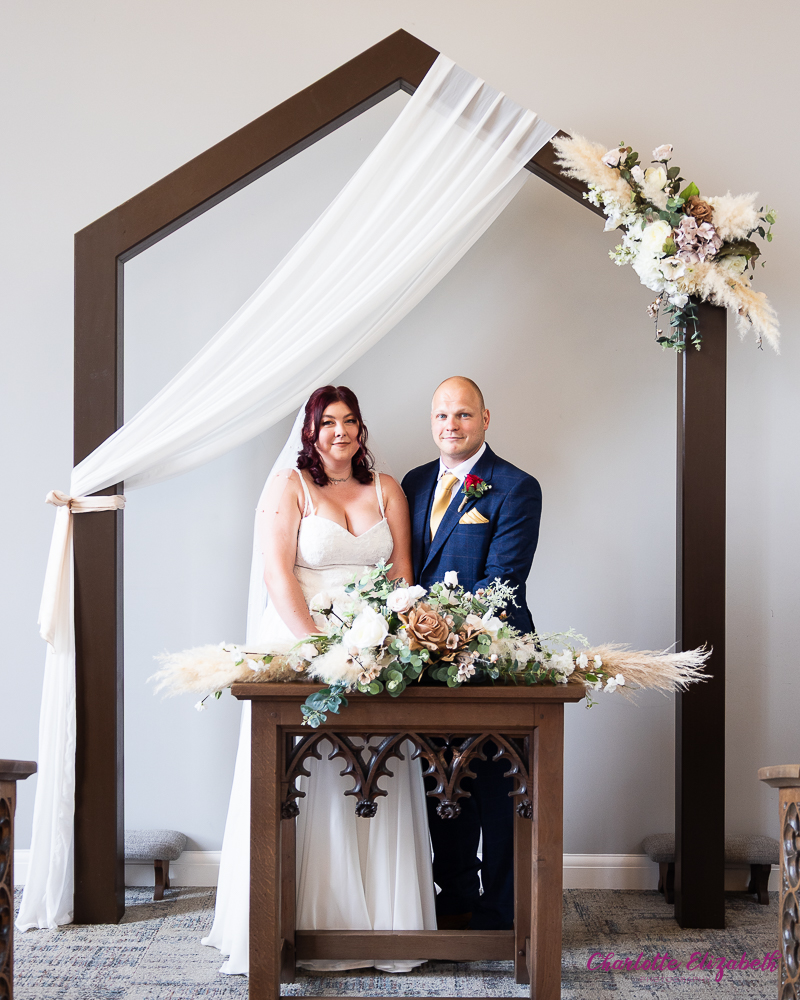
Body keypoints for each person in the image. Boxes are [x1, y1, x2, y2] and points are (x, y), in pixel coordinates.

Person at [203, 385, 436, 974]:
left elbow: (403, 572)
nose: (340, 431)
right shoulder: (291, 488)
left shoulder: (386, 490)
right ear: (310, 431)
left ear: (361, 429)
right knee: (315, 780)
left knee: (380, 768)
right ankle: (302, 925)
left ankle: (384, 930)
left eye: (350, 421)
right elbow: (278, 574)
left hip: (377, 645)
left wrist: (385, 639)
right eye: (328, 422)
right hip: (302, 640)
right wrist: (319, 645)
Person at [401, 376, 542, 932]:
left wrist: (437, 632)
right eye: (441, 416)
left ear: (486, 418)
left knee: (495, 788)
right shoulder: (412, 484)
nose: (450, 426)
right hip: (419, 666)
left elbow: (502, 584)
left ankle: (503, 915)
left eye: (462, 415)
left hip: (491, 661)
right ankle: (454, 899)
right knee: (442, 786)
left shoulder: (515, 486)